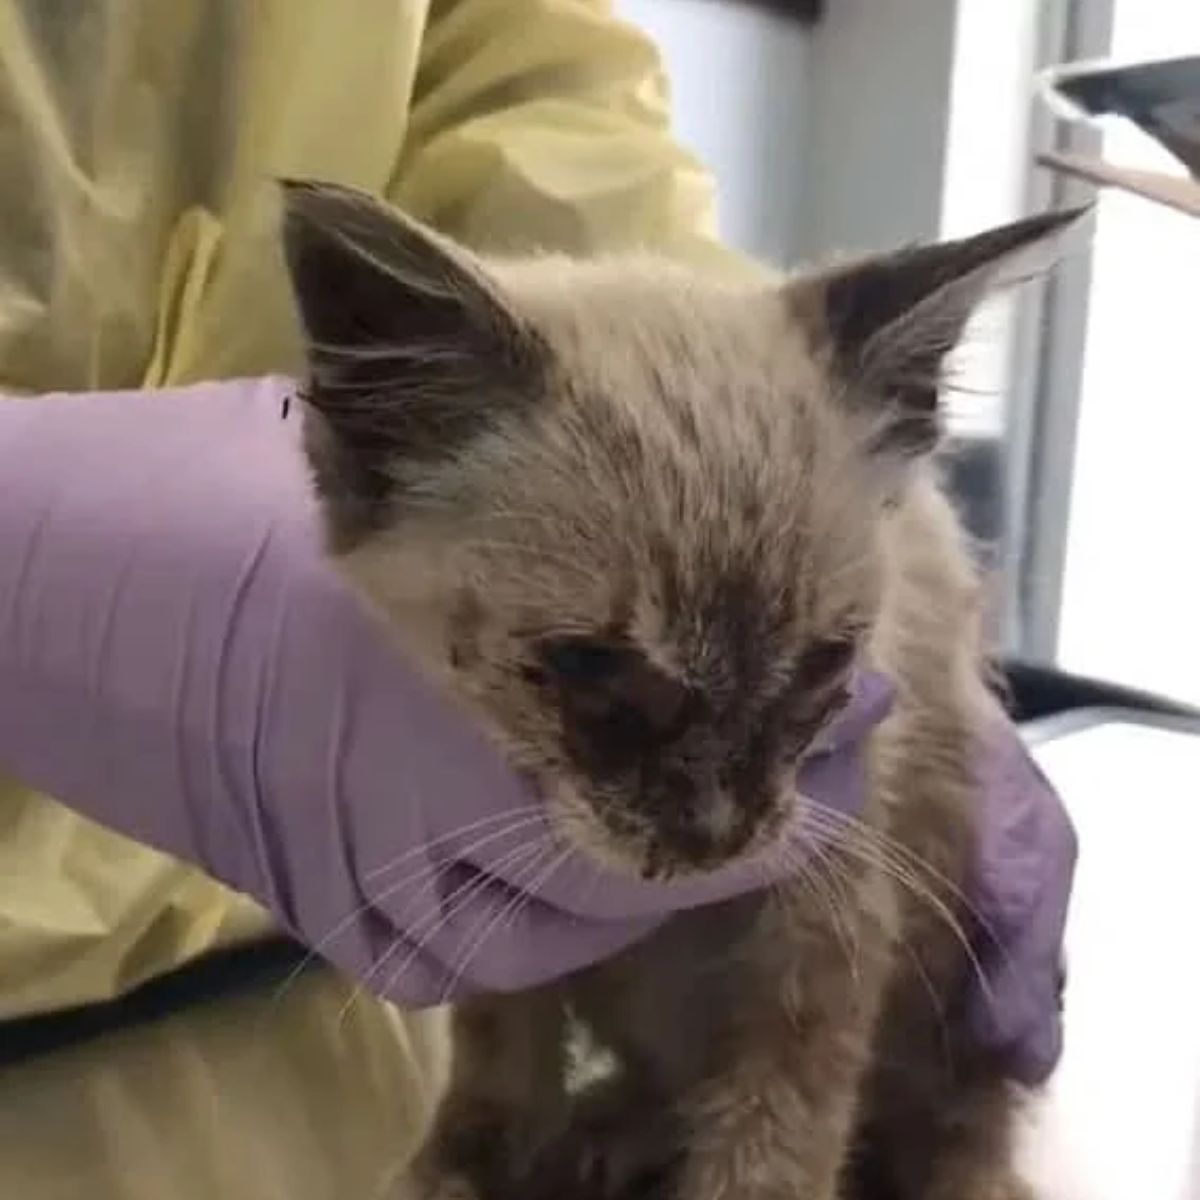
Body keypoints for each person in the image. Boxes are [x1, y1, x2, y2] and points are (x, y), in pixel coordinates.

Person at [0, 3, 1072, 1197]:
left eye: (823, 670)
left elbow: (527, 94)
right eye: (604, 679)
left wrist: (741, 401)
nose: (723, 816)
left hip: (270, 979)